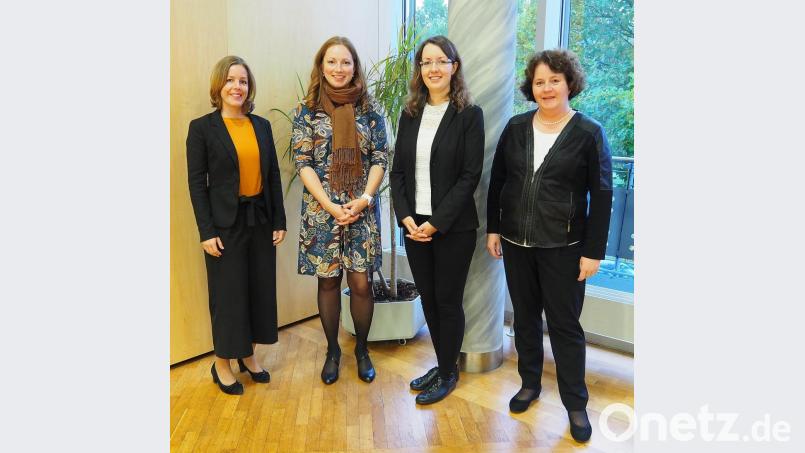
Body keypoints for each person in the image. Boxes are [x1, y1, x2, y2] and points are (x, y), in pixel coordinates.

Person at [486, 49, 613, 442]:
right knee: (524, 319)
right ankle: (529, 383)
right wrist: (494, 228)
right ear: (531, 88)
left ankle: (575, 403)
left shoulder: (589, 132)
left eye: (554, 80)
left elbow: (603, 194)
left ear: (568, 83)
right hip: (516, 243)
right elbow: (498, 180)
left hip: (565, 247)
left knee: (564, 327)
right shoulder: (516, 127)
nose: (546, 88)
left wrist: (592, 252)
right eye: (539, 82)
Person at [390, 35, 484, 405]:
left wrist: (436, 222)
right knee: (428, 299)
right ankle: (442, 363)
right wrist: (406, 217)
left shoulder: (469, 115)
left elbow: (469, 176)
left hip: (452, 227)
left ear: (454, 67)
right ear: (420, 70)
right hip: (415, 225)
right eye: (426, 62)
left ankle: (448, 373)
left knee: (447, 301)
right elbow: (398, 173)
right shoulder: (410, 113)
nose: (433, 68)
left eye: (440, 61)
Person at [186, 55, 287, 395]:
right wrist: (206, 231)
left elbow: (272, 175)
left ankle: (249, 356)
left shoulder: (261, 125)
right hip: (224, 224)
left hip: (259, 219)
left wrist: (279, 220)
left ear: (249, 87)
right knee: (228, 296)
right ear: (219, 85)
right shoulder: (201, 129)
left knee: (258, 290)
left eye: (243, 81)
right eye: (230, 80)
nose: (237, 87)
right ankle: (223, 364)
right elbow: (197, 184)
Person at [292, 36, 387, 385]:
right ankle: (333, 350)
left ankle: (362, 348)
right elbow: (302, 162)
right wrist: (331, 205)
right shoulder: (306, 110)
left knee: (361, 284)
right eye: (331, 62)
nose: (338, 68)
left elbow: (380, 158)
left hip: (361, 208)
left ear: (354, 66)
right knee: (329, 281)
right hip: (322, 211)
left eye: (345, 62)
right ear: (321, 66)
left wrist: (363, 198)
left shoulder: (370, 110)